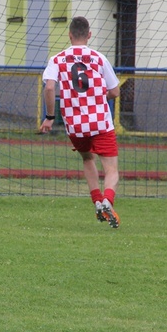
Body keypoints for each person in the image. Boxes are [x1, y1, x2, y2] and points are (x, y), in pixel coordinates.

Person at [40, 16, 121, 228]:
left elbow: (49, 88)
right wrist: (97, 98)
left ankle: (96, 202)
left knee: (87, 159)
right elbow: (115, 91)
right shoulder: (99, 58)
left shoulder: (57, 59)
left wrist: (49, 118)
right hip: (100, 122)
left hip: (75, 125)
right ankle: (107, 201)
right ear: (89, 34)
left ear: (69, 34)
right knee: (111, 168)